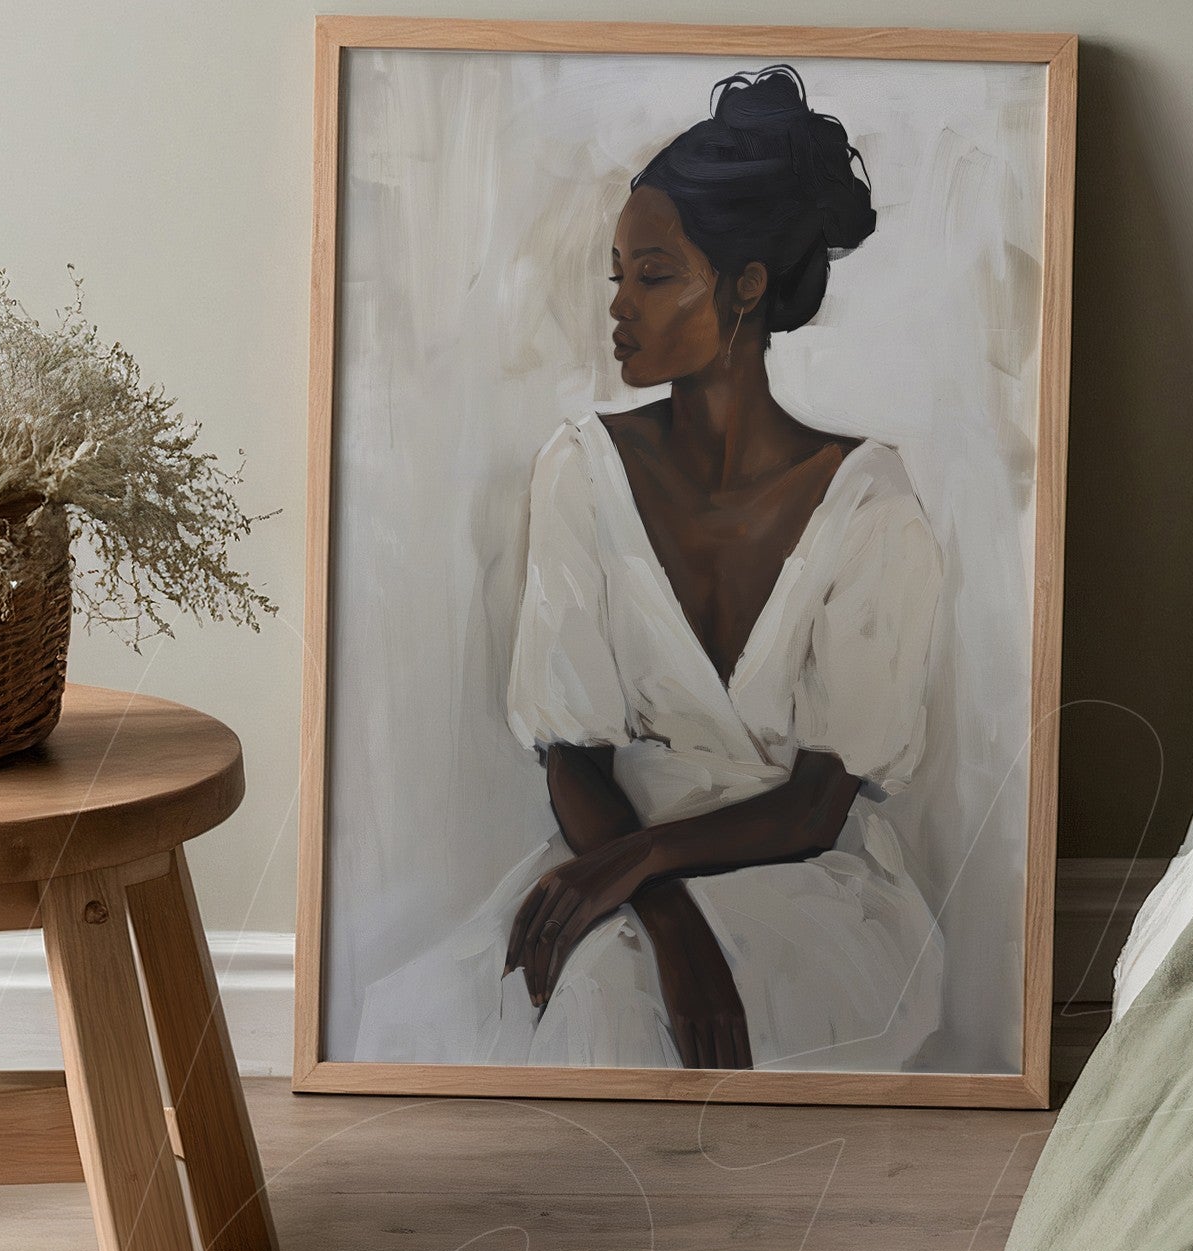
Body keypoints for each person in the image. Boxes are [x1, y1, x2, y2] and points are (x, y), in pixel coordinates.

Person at [356, 67, 946, 1071]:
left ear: (746, 283)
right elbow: (571, 754)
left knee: (607, 995)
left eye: (655, 274)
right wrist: (658, 908)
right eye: (616, 273)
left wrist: (646, 875)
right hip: (611, 856)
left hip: (805, 882)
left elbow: (814, 804)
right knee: (481, 1004)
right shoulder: (582, 469)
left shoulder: (872, 503)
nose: (619, 306)